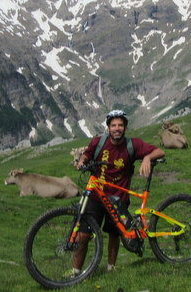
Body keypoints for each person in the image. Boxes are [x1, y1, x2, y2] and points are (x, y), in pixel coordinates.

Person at [73, 109, 165, 273]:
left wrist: (147, 157)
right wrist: (82, 161)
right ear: (108, 128)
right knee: (83, 235)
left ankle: (111, 268)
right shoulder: (98, 142)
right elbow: (86, 154)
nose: (117, 128)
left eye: (120, 125)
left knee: (114, 235)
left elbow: (160, 151)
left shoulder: (133, 145)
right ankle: (76, 271)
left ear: (125, 127)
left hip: (118, 198)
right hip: (96, 196)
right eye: (113, 125)